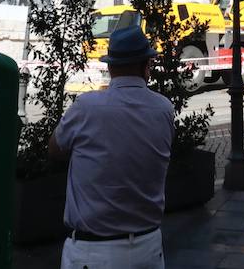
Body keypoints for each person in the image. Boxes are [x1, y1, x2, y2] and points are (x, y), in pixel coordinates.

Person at [50, 26, 174, 268]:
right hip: (148, 248)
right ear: (146, 66)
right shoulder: (164, 109)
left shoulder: (86, 108)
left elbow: (54, 149)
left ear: (109, 66)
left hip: (93, 253)